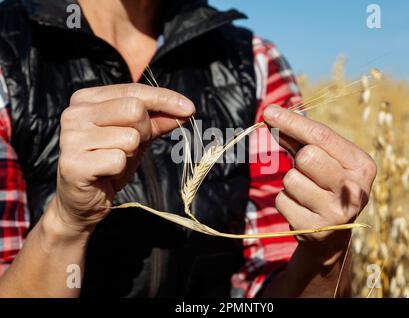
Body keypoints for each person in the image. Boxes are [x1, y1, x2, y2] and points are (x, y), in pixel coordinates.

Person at [0, 0, 376, 297]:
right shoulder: (9, 54)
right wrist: (65, 224)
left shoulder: (254, 62)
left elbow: (277, 278)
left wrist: (325, 254)